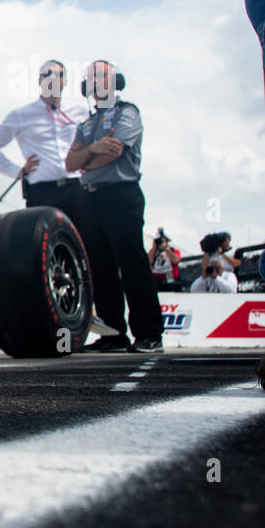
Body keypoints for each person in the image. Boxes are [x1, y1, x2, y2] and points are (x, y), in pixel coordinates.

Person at [64, 61, 164, 353]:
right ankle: (113, 333)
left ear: (115, 80)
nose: (96, 79)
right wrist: (94, 149)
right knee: (100, 268)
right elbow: (70, 164)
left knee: (132, 264)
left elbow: (115, 151)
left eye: (102, 74)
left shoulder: (128, 112)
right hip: (91, 199)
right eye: (91, 75)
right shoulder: (86, 123)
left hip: (121, 196)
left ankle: (149, 333)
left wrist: (87, 158)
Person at [0, 59, 89, 225]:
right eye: (47, 74)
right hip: (42, 191)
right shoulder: (22, 114)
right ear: (39, 80)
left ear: (65, 81)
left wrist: (89, 164)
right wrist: (17, 171)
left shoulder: (81, 112)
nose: (52, 79)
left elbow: (94, 141)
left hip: (77, 188)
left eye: (58, 75)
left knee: (85, 242)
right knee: (44, 245)